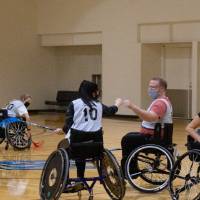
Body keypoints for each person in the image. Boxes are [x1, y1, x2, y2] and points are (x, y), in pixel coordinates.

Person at [58, 80, 122, 181]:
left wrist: (63, 130)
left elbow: (68, 125)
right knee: (82, 146)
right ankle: (90, 176)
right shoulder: (99, 105)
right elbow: (110, 111)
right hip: (96, 147)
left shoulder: (74, 104)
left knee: (63, 147)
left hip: (77, 146)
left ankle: (68, 180)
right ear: (93, 92)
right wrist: (117, 104)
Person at [121, 77, 173, 172]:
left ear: (161, 89)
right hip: (154, 136)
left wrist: (132, 106)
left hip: (154, 139)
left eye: (153, 87)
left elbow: (151, 118)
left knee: (127, 140)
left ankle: (129, 170)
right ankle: (131, 167)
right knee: (130, 136)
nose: (150, 89)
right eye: (149, 87)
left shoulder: (160, 103)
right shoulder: (162, 100)